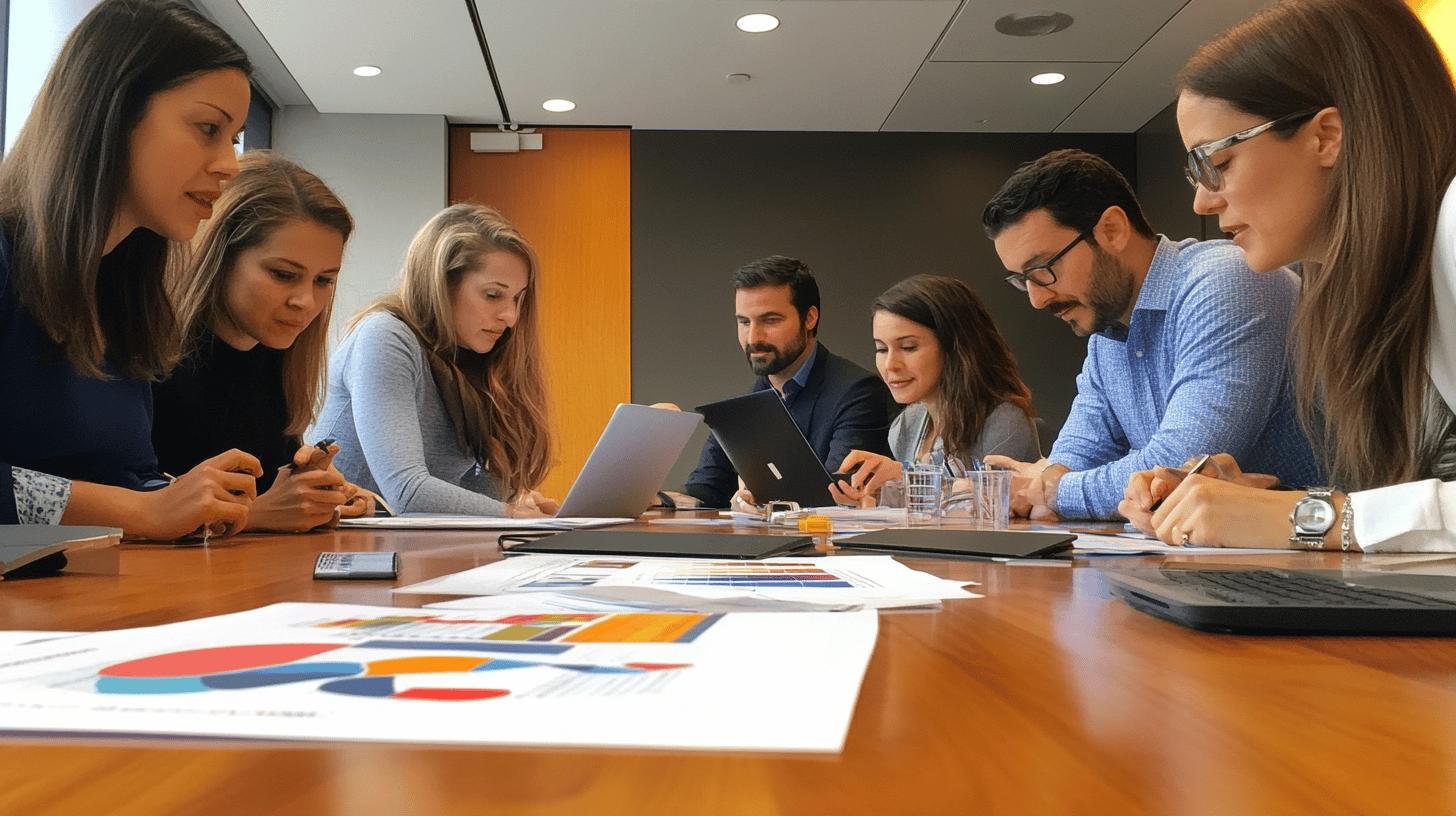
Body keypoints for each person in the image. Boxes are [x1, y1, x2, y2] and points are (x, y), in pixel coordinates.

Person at [1121, 0, 1456, 552]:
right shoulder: (1365, 291)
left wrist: (1305, 517)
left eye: (1215, 163)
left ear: (1326, 135)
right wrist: (1263, 501)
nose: (1202, 200)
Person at [0, 0, 262, 538]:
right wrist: (139, 512)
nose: (230, 166)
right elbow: (125, 505)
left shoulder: (122, 297)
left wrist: (209, 501)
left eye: (233, 138)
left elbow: (127, 481)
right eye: (208, 127)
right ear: (111, 112)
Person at [978, 149, 1322, 520]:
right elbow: (1072, 456)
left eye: (1043, 269)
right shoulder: (1106, 336)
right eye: (1022, 280)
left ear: (1112, 230)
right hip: (1212, 561)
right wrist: (1054, 482)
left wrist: (1056, 490)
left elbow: (1178, 466)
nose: (1036, 298)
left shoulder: (1225, 281)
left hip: (1324, 560)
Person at [153, 150, 374, 533]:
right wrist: (255, 516)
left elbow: (273, 491)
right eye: (283, 274)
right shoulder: (151, 359)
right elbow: (128, 513)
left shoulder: (276, 360)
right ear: (220, 257)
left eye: (324, 281)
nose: (305, 302)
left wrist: (322, 494)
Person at [313, 203, 558, 517]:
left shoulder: (468, 355)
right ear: (442, 285)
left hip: (404, 547)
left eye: (517, 298)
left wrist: (516, 501)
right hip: (338, 549)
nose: (510, 317)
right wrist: (512, 515)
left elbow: (458, 490)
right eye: (493, 295)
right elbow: (408, 492)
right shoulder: (385, 336)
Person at [680, 255, 895, 508]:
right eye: (744, 322)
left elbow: (836, 491)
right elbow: (705, 487)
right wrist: (656, 499)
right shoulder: (748, 403)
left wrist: (760, 501)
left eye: (770, 320)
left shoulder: (858, 392)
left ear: (810, 318)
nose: (753, 337)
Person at [827, 274, 1040, 504]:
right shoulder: (905, 426)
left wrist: (908, 480)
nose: (890, 365)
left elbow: (996, 507)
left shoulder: (1004, 420)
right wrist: (874, 497)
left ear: (955, 348)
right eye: (881, 349)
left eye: (908, 347)